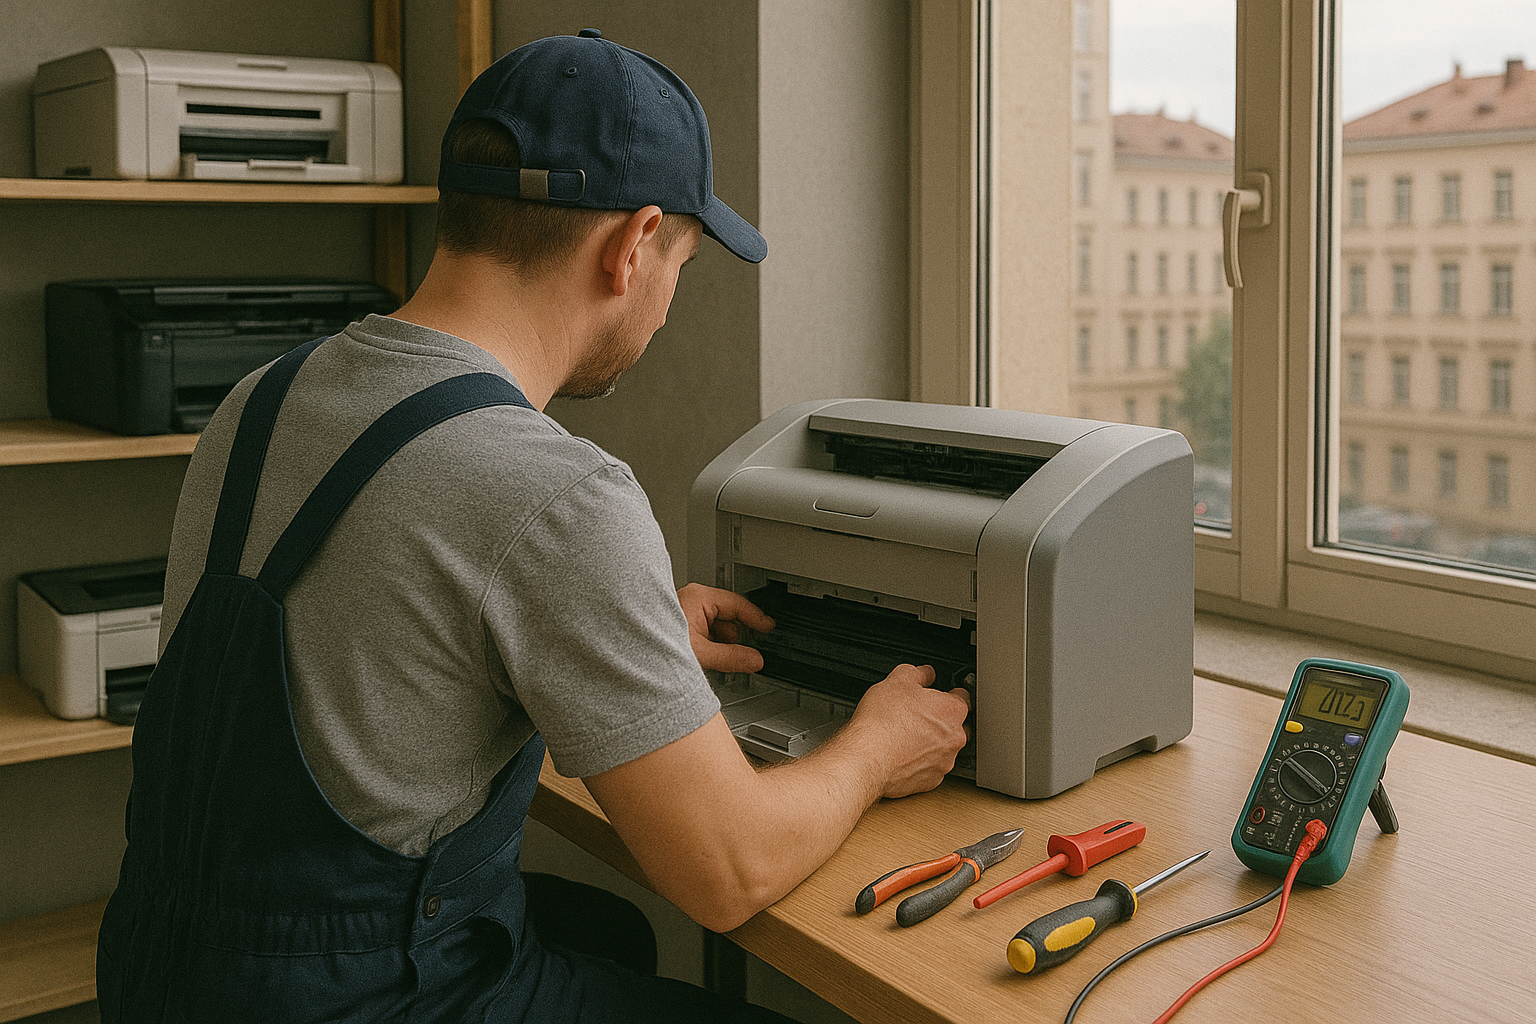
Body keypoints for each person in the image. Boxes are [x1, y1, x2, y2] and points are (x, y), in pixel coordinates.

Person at [96, 28, 970, 1023]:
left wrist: (618, 639)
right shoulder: (558, 492)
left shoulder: (260, 399)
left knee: (608, 935)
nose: (668, 299)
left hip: (161, 971)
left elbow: (384, 654)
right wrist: (877, 744)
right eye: (681, 262)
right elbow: (729, 872)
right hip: (361, 1004)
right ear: (632, 245)